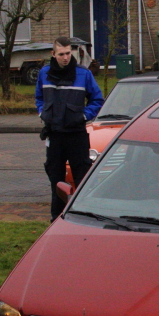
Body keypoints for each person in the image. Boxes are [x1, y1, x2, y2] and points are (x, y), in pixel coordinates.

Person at [36, 36, 104, 221]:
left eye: (68, 53)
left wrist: (83, 116)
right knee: (56, 180)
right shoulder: (44, 73)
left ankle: (83, 218)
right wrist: (42, 113)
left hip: (76, 135)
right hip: (55, 135)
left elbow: (97, 100)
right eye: (61, 54)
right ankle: (56, 220)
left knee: (82, 179)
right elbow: (39, 97)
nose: (65, 57)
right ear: (53, 54)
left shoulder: (83, 74)